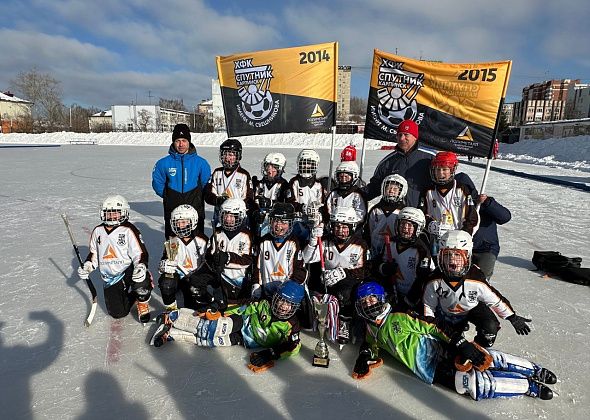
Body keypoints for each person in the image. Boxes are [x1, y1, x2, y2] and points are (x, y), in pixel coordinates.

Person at [351, 282, 557, 400]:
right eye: (364, 302)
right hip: (430, 372)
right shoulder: (372, 330)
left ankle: (533, 370)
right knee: (473, 386)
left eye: (372, 299)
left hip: (442, 351)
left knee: (484, 359)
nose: (369, 304)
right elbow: (372, 346)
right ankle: (528, 387)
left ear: (382, 298)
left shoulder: (400, 317)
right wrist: (364, 356)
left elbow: (436, 325)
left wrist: (461, 343)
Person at [150, 281, 304, 373]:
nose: (284, 306)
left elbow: (294, 347)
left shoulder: (292, 324)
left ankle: (172, 334)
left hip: (244, 340)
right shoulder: (265, 304)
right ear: (275, 298)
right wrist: (220, 311)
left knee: (209, 341)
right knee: (212, 327)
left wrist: (271, 353)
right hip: (242, 322)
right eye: (281, 301)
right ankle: (173, 317)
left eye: (289, 304)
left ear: (295, 307)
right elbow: (243, 307)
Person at [422, 230, 532, 349]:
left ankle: (479, 347)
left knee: (490, 327)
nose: (452, 260)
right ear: (441, 256)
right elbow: (428, 307)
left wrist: (512, 317)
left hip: (471, 309)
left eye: (457, 255)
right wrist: (434, 328)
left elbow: (496, 300)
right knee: (447, 346)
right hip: (446, 315)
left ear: (467, 257)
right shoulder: (434, 280)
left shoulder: (476, 279)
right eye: (447, 255)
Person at [78, 195, 152, 323]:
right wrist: (88, 265)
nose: (112, 217)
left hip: (127, 270)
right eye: (108, 213)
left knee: (140, 281)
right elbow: (94, 253)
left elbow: (140, 253)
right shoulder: (98, 231)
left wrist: (141, 267)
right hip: (110, 277)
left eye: (116, 213)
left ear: (123, 213)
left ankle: (143, 298)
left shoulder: (129, 230)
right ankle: (133, 296)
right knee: (118, 313)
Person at [303, 206, 368, 344]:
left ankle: (344, 322)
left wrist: (343, 272)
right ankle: (323, 318)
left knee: (345, 292)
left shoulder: (360, 245)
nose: (341, 231)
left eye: (345, 227)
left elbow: (364, 271)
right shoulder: (326, 241)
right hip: (327, 281)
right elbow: (307, 259)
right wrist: (313, 240)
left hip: (349, 283)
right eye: (337, 226)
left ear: (352, 227)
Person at [152, 123, 211, 236]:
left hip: (195, 206)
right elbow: (157, 182)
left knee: (197, 241)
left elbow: (206, 183)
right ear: (173, 142)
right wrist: (168, 195)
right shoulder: (163, 163)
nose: (181, 144)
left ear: (189, 142)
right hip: (172, 207)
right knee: (173, 243)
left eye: (184, 140)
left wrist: (198, 195)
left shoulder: (201, 163)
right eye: (177, 141)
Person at [419, 151, 478, 254]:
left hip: (457, 243)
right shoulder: (428, 191)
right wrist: (430, 225)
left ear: (452, 170)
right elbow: (421, 214)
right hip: (435, 242)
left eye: (444, 169)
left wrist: (462, 236)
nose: (441, 173)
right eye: (438, 169)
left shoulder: (462, 189)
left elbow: (471, 218)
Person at [373, 207, 432, 310]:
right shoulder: (390, 243)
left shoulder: (421, 250)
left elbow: (422, 280)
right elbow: (377, 264)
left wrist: (408, 302)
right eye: (402, 224)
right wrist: (384, 268)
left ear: (418, 228)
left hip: (412, 298)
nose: (405, 228)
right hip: (392, 292)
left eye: (410, 225)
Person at [157, 204, 212, 314]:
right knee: (166, 282)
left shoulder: (202, 240)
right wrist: (164, 264)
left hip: (196, 278)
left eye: (184, 222)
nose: (180, 226)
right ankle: (170, 309)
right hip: (180, 276)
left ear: (193, 221)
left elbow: (209, 264)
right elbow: (167, 258)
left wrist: (200, 278)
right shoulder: (173, 240)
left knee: (194, 306)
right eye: (177, 222)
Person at [365, 119, 432, 207]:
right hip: (395, 214)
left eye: (406, 135)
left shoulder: (429, 158)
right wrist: (356, 192)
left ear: (415, 137)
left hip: (421, 214)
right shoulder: (388, 162)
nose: (402, 138)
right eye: (399, 135)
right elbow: (375, 188)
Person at [252, 202, 307, 299]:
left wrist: (288, 291)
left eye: (283, 222)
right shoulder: (263, 242)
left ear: (290, 224)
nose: (278, 226)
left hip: (285, 297)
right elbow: (257, 267)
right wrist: (256, 284)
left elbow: (299, 272)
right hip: (265, 294)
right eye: (276, 221)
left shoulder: (294, 243)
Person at [207, 198, 254, 308]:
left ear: (241, 216)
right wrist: (213, 260)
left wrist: (227, 258)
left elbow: (247, 260)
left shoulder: (247, 236)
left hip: (239, 281)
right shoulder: (217, 233)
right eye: (226, 215)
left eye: (233, 216)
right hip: (221, 279)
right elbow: (208, 255)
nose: (228, 219)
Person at [204, 138, 254, 227]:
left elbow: (249, 198)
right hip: (220, 215)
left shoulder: (244, 175)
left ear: (238, 156)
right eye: (225, 154)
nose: (228, 158)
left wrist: (236, 206)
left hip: (237, 216)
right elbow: (208, 193)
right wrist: (217, 200)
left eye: (231, 155)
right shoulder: (217, 173)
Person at [364, 174, 408, 258]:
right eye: (389, 188)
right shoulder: (376, 210)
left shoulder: (403, 211)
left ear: (402, 191)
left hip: (395, 254)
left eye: (395, 189)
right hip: (375, 252)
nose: (391, 191)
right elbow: (369, 231)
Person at [286, 149, 325, 242]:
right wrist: (303, 208)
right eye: (303, 163)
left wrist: (317, 212)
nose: (306, 166)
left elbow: (322, 204)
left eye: (309, 164)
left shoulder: (318, 185)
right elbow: (290, 202)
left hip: (313, 221)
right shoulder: (294, 182)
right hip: (297, 220)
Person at [472, 194, 512, 280]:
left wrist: (486, 202)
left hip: (485, 248)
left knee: (480, 281)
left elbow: (505, 217)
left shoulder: (481, 202)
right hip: (458, 247)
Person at [251, 152, 289, 236]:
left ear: (279, 169)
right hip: (259, 222)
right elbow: (253, 203)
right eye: (267, 166)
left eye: (273, 167)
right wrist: (255, 213)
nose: (269, 170)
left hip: (276, 223)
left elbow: (286, 206)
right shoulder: (260, 184)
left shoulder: (284, 185)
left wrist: (270, 203)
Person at [322, 160, 368, 225]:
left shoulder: (357, 195)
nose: (343, 179)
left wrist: (348, 224)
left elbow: (361, 216)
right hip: (335, 228)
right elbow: (327, 211)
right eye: (341, 177)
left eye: (346, 177)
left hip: (352, 230)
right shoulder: (333, 194)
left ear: (353, 177)